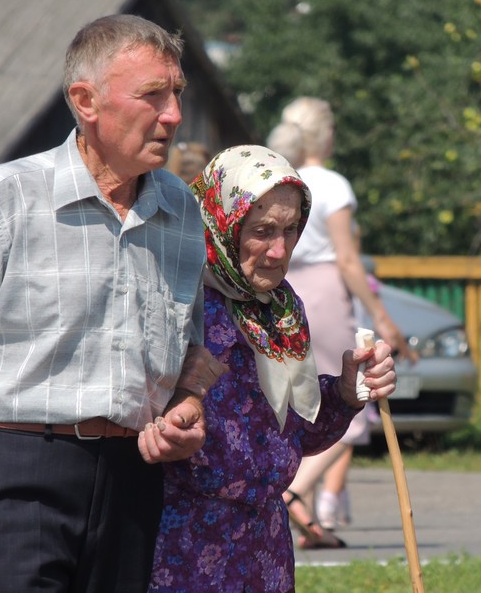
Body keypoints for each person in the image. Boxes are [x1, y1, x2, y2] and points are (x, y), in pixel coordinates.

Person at [0, 15, 227, 593]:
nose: (172, 115)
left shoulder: (183, 211)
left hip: (132, 478)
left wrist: (188, 408)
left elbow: (191, 349)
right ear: (85, 101)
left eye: (177, 94)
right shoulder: (3, 198)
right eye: (152, 95)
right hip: (16, 469)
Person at [148, 145, 397, 592]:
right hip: (183, 542)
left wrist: (343, 391)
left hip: (266, 546)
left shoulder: (280, 308)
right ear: (222, 223)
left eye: (290, 229)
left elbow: (296, 432)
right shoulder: (174, 300)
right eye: (262, 230)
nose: (278, 250)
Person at [274, 96, 414, 546]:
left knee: (303, 402)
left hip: (286, 294)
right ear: (326, 135)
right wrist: (381, 317)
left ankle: (309, 523)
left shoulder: (284, 178)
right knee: (351, 399)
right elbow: (349, 260)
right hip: (327, 294)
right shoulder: (333, 185)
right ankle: (295, 491)